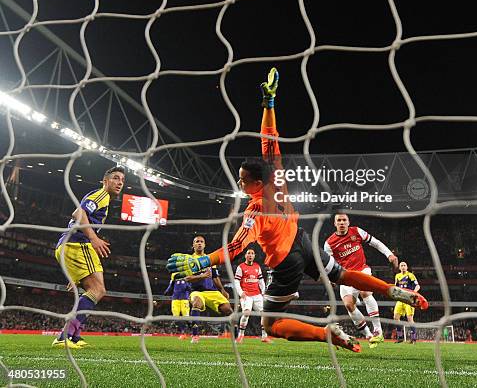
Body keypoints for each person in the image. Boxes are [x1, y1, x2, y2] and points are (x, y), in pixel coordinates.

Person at [167, 68, 428, 353]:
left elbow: (236, 247)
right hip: (303, 241)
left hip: (286, 263)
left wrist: (202, 261)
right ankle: (393, 291)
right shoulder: (277, 177)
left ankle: (326, 333)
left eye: (242, 179)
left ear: (255, 183)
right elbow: (269, 137)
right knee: (341, 274)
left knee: (272, 325)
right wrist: (269, 104)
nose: (239, 182)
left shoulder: (255, 211)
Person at [52, 165, 125, 348]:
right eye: (116, 178)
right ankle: (64, 337)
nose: (119, 183)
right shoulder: (100, 195)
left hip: (76, 246)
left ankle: (75, 335)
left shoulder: (105, 199)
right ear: (105, 181)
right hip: (77, 243)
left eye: (122, 180)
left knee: (98, 290)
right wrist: (93, 237)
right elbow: (78, 213)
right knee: (97, 290)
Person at [324, 213, 398, 347]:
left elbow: (375, 242)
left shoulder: (356, 231)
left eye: (344, 220)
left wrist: (389, 254)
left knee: (365, 292)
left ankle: (378, 331)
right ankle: (368, 335)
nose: (341, 223)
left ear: (348, 222)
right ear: (335, 224)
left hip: (362, 270)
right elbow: (329, 264)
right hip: (345, 276)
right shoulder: (329, 243)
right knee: (348, 305)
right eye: (339, 220)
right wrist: (331, 278)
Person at [187, 235, 232, 343]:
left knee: (228, 309)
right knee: (197, 303)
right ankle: (195, 335)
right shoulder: (189, 260)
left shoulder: (210, 259)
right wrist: (201, 276)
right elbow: (187, 278)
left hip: (212, 291)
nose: (199, 243)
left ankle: (234, 335)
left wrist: (222, 290)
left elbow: (215, 277)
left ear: (204, 245)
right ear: (193, 245)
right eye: (197, 241)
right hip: (197, 291)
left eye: (201, 241)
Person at [234, 248, 271, 343]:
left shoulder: (257, 266)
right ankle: (240, 335)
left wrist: (263, 292)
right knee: (246, 313)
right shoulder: (241, 267)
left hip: (257, 294)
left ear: (254, 256)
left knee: (264, 314)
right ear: (245, 256)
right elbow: (236, 281)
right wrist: (241, 292)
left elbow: (261, 280)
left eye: (252, 253)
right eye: (248, 253)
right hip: (246, 295)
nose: (250, 255)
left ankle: (264, 336)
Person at [393, 261, 420, 344]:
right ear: (399, 267)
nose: (403, 267)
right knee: (395, 318)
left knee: (410, 319)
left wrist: (414, 293)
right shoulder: (397, 276)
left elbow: (418, 286)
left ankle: (413, 339)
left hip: (409, 300)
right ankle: (400, 337)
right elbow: (396, 287)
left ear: (407, 267)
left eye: (404, 265)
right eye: (401, 265)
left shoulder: (410, 275)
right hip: (400, 299)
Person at [164, 273, 192, 339]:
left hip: (184, 299)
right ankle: (183, 333)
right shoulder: (174, 280)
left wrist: (188, 286)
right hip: (175, 299)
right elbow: (170, 286)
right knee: (176, 318)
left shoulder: (187, 279)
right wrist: (167, 291)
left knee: (186, 317)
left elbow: (190, 288)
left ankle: (192, 331)